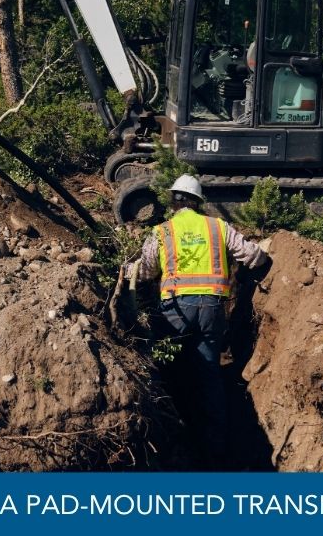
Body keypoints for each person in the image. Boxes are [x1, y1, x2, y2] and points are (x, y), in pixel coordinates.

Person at [127, 174, 269, 466]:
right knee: (209, 375)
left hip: (175, 311)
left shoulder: (163, 231)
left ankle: (171, 442)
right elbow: (252, 255)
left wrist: (126, 271)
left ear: (174, 201)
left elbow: (145, 271)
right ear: (198, 202)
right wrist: (268, 260)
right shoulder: (217, 226)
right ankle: (215, 448)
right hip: (213, 309)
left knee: (164, 370)